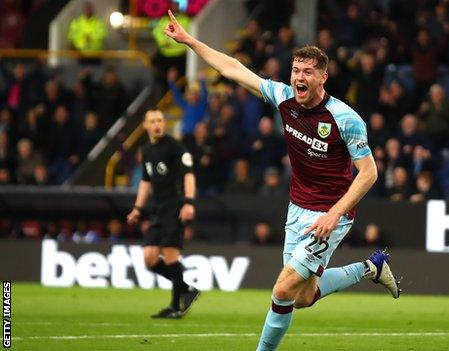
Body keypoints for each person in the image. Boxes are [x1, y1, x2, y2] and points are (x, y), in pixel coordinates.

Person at [163, 10, 400, 350]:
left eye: (307, 72)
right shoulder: (284, 96)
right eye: (295, 70)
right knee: (302, 297)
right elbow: (232, 68)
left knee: (281, 290)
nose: (299, 77)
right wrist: (189, 41)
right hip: (297, 209)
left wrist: (333, 215)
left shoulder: (345, 119)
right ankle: (370, 269)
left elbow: (369, 173)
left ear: (323, 78)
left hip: (330, 214)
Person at [126, 109, 200, 319]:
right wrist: (137, 209)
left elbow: (189, 176)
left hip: (175, 206)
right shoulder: (147, 150)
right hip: (157, 209)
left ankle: (176, 306)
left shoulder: (175, 148)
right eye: (153, 121)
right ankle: (186, 289)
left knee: (170, 256)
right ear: (145, 125)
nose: (158, 124)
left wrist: (189, 203)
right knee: (149, 257)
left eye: (160, 120)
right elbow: (146, 181)